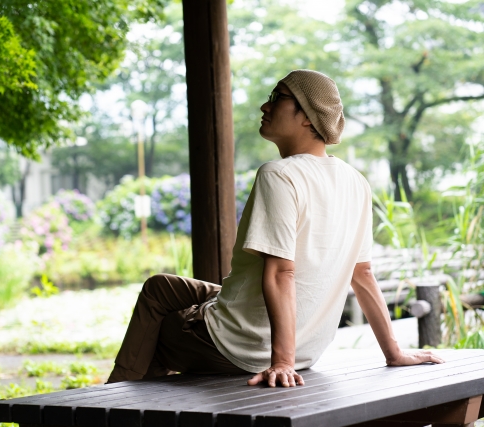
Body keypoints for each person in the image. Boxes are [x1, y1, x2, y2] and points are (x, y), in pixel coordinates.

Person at [106, 69, 444, 387]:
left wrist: (282, 361)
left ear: (308, 116)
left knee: (154, 330)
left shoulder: (279, 174)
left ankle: (109, 405)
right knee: (160, 288)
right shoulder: (356, 182)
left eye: (278, 97)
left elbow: (282, 272)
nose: (265, 105)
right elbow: (363, 273)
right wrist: (393, 353)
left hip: (244, 349)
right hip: (307, 351)